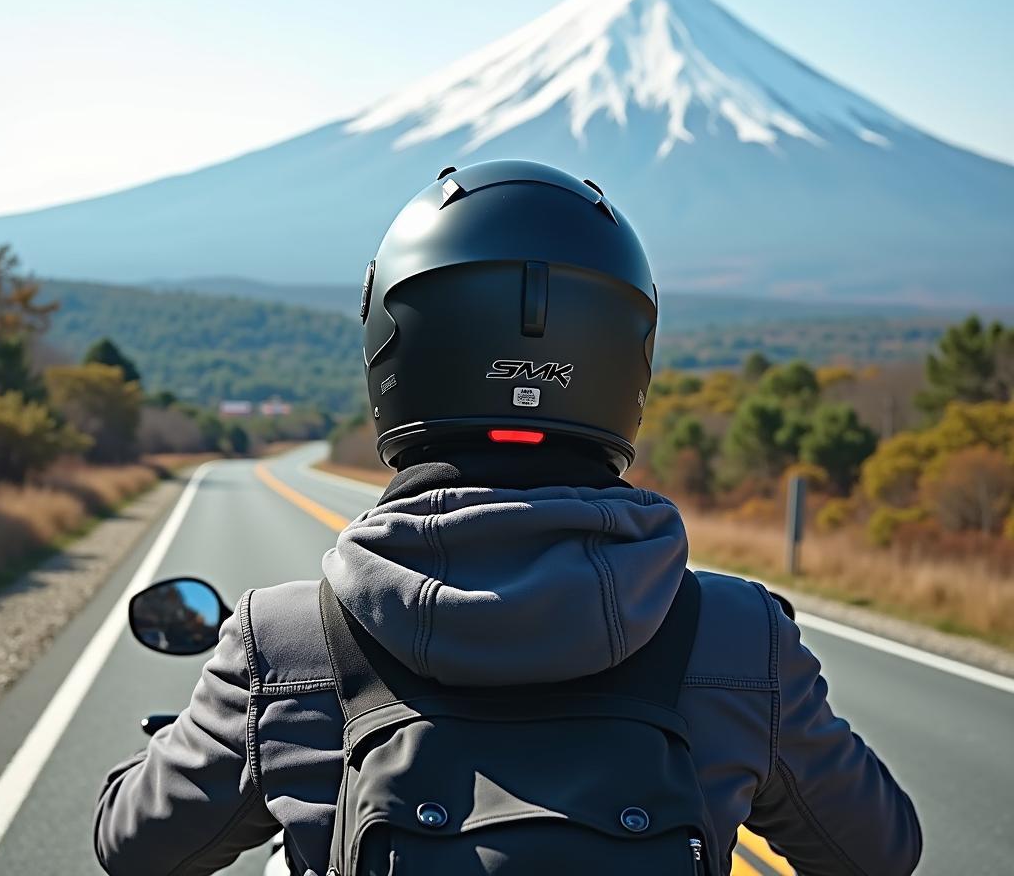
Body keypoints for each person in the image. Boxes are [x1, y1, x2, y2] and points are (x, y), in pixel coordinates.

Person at [95, 160, 922, 875]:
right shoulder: (741, 638)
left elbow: (133, 847)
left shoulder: (286, 643)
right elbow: (881, 852)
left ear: (393, 347)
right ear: (626, 356)